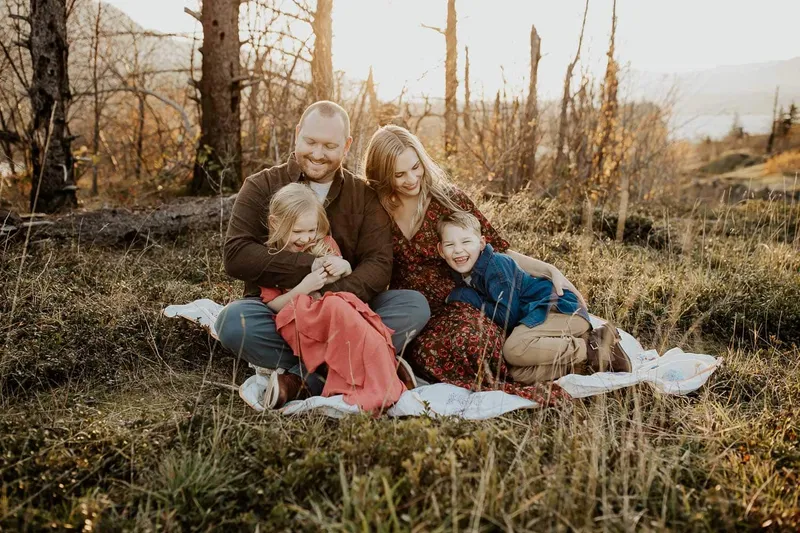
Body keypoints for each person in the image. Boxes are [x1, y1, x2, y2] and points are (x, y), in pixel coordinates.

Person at [215, 101, 430, 408]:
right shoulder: (261, 186)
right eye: (311, 142)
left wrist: (332, 301)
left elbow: (379, 264)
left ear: (346, 146)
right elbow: (237, 255)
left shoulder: (364, 196)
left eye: (329, 146)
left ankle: (302, 378)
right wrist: (310, 268)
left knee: (413, 306)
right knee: (233, 323)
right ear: (297, 134)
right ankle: (365, 362)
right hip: (282, 313)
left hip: (350, 311)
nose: (317, 154)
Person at [362, 124, 585, 404]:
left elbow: (498, 251)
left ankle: (566, 357)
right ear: (382, 174)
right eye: (399, 174)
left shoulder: (447, 199)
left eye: (415, 167)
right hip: (412, 311)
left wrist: (550, 270)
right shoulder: (374, 207)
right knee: (427, 349)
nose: (411, 179)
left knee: (477, 342)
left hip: (459, 302)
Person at [256, 183, 411, 411]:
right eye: (297, 232)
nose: (306, 238)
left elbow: (342, 280)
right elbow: (273, 305)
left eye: (311, 230)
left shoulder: (325, 244)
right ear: (275, 224)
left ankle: (375, 372)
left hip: (337, 319)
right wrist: (303, 288)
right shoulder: (272, 258)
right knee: (338, 309)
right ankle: (374, 372)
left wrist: (345, 266)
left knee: (355, 312)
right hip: (302, 324)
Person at [436, 211, 631, 383]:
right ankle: (584, 362)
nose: (458, 249)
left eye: (466, 241)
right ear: (440, 251)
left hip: (559, 309)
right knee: (517, 373)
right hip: (543, 321)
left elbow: (507, 317)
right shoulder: (468, 273)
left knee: (514, 349)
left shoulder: (496, 266)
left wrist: (465, 295)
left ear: (482, 243)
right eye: (450, 244)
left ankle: (592, 346)